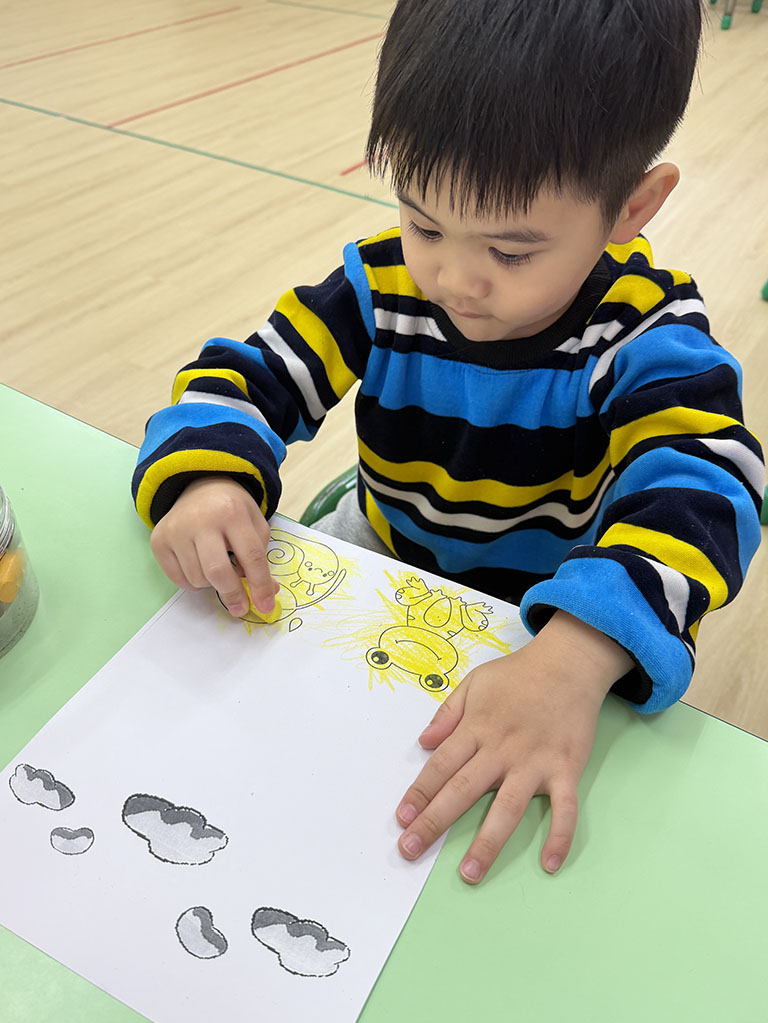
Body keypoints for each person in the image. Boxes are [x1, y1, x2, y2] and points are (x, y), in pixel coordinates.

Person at [132, 0, 764, 884]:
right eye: (425, 223)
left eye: (511, 252)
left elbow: (711, 485)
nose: (454, 279)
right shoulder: (381, 283)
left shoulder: (643, 331)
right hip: (385, 556)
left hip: (550, 611)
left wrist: (578, 655)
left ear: (633, 206)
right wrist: (206, 479)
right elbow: (243, 378)